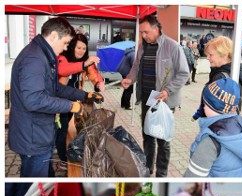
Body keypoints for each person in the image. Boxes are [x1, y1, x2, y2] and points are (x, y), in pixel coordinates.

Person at [8, 17, 103, 177]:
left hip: (38, 132)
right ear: (53, 36)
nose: (66, 47)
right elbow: (34, 100)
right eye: (65, 43)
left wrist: (85, 95)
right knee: (35, 183)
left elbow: (56, 88)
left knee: (45, 177)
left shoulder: (42, 55)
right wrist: (71, 106)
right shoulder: (35, 59)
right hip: (33, 137)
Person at [121, 14, 190, 178]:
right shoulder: (142, 46)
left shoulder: (172, 46)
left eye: (146, 32)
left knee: (163, 139)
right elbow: (136, 67)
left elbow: (183, 74)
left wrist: (168, 90)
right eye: (141, 33)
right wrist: (130, 79)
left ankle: (162, 173)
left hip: (164, 100)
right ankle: (147, 167)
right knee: (147, 135)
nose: (143, 36)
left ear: (156, 29)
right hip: (147, 98)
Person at [184, 78, 242, 177]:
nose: (203, 107)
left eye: (205, 103)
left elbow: (190, 181)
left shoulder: (210, 140)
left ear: (212, 106)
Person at [56, 33, 105, 172]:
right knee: (62, 130)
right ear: (72, 47)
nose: (81, 51)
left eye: (84, 49)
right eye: (78, 48)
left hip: (74, 99)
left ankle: (63, 152)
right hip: (60, 100)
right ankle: (62, 160)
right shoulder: (63, 57)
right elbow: (63, 70)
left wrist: (99, 83)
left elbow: (92, 72)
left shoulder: (85, 61)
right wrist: (83, 64)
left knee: (65, 128)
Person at [206, 36, 242, 112]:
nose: (207, 58)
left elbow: (217, 110)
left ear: (224, 55)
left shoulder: (222, 78)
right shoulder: (232, 72)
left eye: (211, 55)